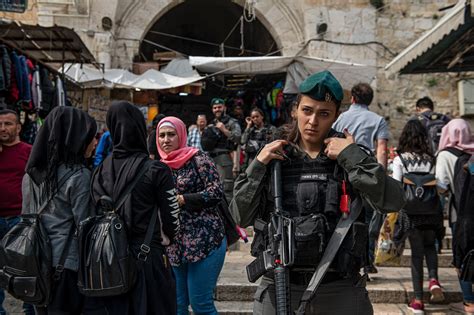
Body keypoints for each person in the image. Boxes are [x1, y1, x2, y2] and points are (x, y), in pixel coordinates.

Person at [230, 70, 405, 314]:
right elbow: (239, 216)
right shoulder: (272, 156)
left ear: (335, 116)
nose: (313, 121)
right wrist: (258, 165)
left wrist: (351, 156)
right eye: (307, 111)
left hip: (339, 288)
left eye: (324, 114)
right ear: (295, 110)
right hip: (280, 285)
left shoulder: (352, 156)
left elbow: (393, 200)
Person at [85, 101, 179, 315]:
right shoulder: (156, 170)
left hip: (108, 262)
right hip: (148, 261)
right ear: (139, 128)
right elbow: (172, 219)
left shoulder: (99, 171)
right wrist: (165, 239)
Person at [21, 106, 97, 314]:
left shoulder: (31, 174)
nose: (95, 142)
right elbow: (86, 225)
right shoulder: (79, 175)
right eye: (90, 137)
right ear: (75, 138)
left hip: (35, 263)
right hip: (66, 265)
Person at [156, 116, 226, 315]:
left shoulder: (198, 159)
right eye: (162, 135)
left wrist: (183, 199)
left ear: (181, 135)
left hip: (205, 242)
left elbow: (216, 192)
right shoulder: (159, 166)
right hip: (175, 246)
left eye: (171, 135)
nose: (166, 140)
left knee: (201, 304)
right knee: (177, 306)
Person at [332, 82, 390, 274]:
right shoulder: (378, 120)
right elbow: (382, 150)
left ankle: (345, 259)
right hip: (367, 170)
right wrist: (380, 177)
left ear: (353, 98)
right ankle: (366, 261)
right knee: (367, 218)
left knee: (345, 214)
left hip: (344, 170)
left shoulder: (341, 118)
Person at [392, 120, 444, 313]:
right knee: (430, 246)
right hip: (431, 211)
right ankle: (433, 280)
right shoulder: (432, 158)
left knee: (416, 254)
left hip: (410, 213)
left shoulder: (400, 159)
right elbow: (438, 184)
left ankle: (418, 301)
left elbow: (397, 186)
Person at [435, 119, 474, 314]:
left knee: (462, 254)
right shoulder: (473, 152)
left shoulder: (445, 155)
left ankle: (469, 301)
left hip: (460, 212)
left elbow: (441, 185)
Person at [0, 109, 34, 315]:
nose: (3, 128)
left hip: (18, 220)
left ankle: (30, 310)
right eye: (0, 124)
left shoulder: (28, 151)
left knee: (26, 271)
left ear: (19, 127)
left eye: (8, 124)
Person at [206, 98, 241, 201]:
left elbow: (238, 138)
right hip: (212, 159)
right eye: (215, 108)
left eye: (219, 107)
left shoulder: (232, 122)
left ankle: (229, 214)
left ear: (224, 108)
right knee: (213, 187)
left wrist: (224, 130)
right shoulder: (211, 123)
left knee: (226, 188)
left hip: (225, 158)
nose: (217, 109)